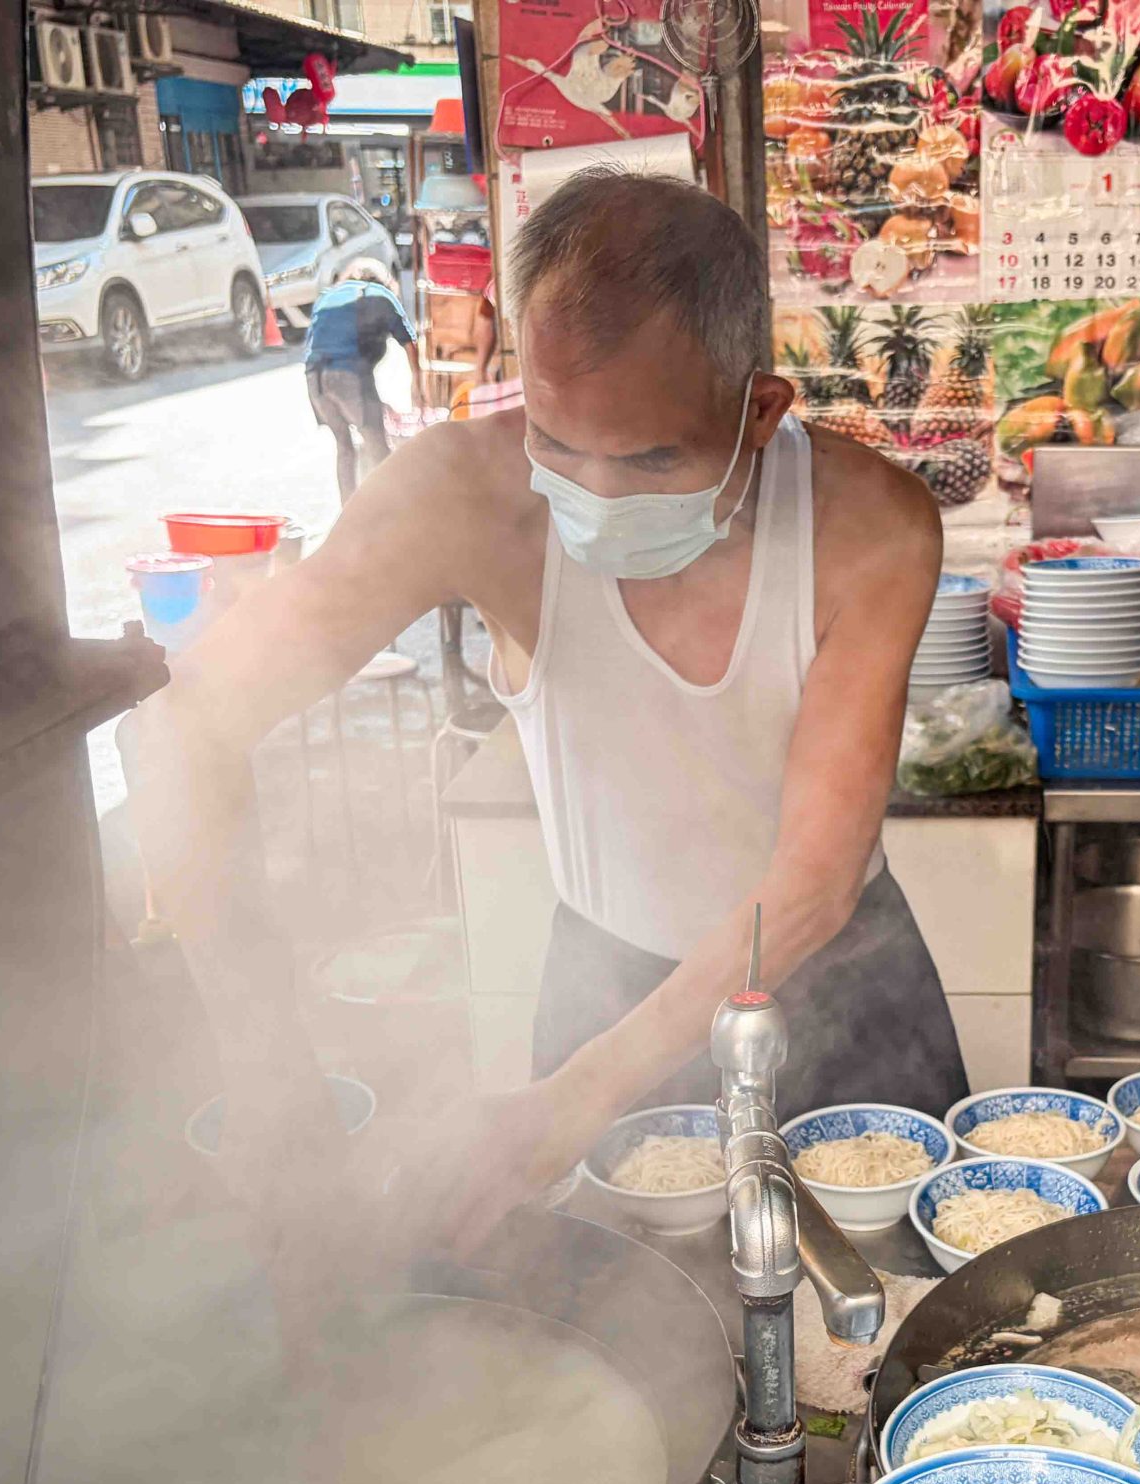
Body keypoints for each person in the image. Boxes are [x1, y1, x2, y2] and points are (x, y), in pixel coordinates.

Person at [128, 171, 960, 1272]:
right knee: (625, 1325)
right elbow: (188, 722)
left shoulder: (870, 527)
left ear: (760, 411)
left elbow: (811, 880)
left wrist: (571, 1099)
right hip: (604, 986)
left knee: (894, 1342)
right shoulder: (462, 498)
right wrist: (266, 1068)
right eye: (558, 445)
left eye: (653, 459)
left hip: (837, 976)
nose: (595, 498)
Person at [303, 275, 420, 501]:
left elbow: (314, 345)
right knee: (377, 444)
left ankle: (348, 512)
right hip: (348, 374)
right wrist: (418, 385)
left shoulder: (327, 297)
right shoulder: (381, 294)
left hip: (314, 378)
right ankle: (393, 508)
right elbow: (409, 340)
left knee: (344, 446)